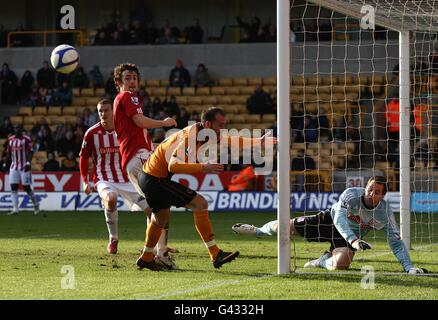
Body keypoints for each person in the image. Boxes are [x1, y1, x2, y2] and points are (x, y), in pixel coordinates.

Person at [136, 106, 277, 271]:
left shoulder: (205, 133)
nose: (223, 129)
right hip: (155, 179)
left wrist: (257, 142)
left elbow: (230, 140)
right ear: (209, 124)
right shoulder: (191, 137)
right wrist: (203, 167)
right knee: (200, 204)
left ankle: (146, 257)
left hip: (149, 177)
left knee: (161, 218)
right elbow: (173, 165)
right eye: (221, 125)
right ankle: (215, 254)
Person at [232, 176, 428, 274]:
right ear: (365, 187)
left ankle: (320, 261)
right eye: (370, 189)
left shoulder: (385, 213)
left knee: (341, 265)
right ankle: (257, 230)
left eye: (377, 192)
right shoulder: (351, 194)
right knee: (284, 227)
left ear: (383, 196)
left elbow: (395, 241)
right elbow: (340, 219)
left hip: (348, 239)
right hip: (329, 222)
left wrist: (409, 267)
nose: (371, 193)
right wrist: (353, 240)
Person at [112, 63, 177, 267]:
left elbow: (139, 134)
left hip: (136, 158)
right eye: (127, 78)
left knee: (156, 207)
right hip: (138, 158)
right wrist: (164, 123)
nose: (132, 82)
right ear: (119, 83)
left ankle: (154, 252)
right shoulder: (127, 97)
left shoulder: (121, 102)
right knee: (162, 207)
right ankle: (160, 254)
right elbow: (140, 121)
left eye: (134, 78)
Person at [80, 99, 149, 254]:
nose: (103, 114)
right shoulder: (91, 133)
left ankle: (152, 245)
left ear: (113, 111)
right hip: (104, 178)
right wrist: (86, 181)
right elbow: (84, 158)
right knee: (110, 199)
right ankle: (113, 238)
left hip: (128, 179)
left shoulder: (124, 130)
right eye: (100, 111)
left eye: (106, 110)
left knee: (151, 210)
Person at [6, 126, 40, 215]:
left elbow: (31, 152)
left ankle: (36, 205)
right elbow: (9, 153)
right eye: (16, 130)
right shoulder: (11, 139)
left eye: (19, 130)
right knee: (13, 187)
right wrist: (5, 164)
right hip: (14, 167)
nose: (18, 131)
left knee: (26, 188)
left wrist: (28, 163)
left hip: (24, 167)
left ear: (22, 131)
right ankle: (15, 209)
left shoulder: (26, 139)